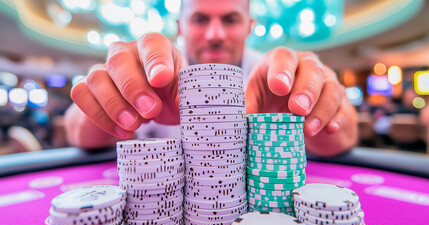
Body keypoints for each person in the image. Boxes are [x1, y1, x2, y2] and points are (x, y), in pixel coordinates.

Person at [64, 0, 358, 157]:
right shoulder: (154, 70)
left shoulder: (273, 73)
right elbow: (77, 132)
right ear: (181, 27)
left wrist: (317, 106)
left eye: (230, 19)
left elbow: (343, 139)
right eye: (200, 19)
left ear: (249, 27)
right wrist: (113, 101)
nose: (215, 35)